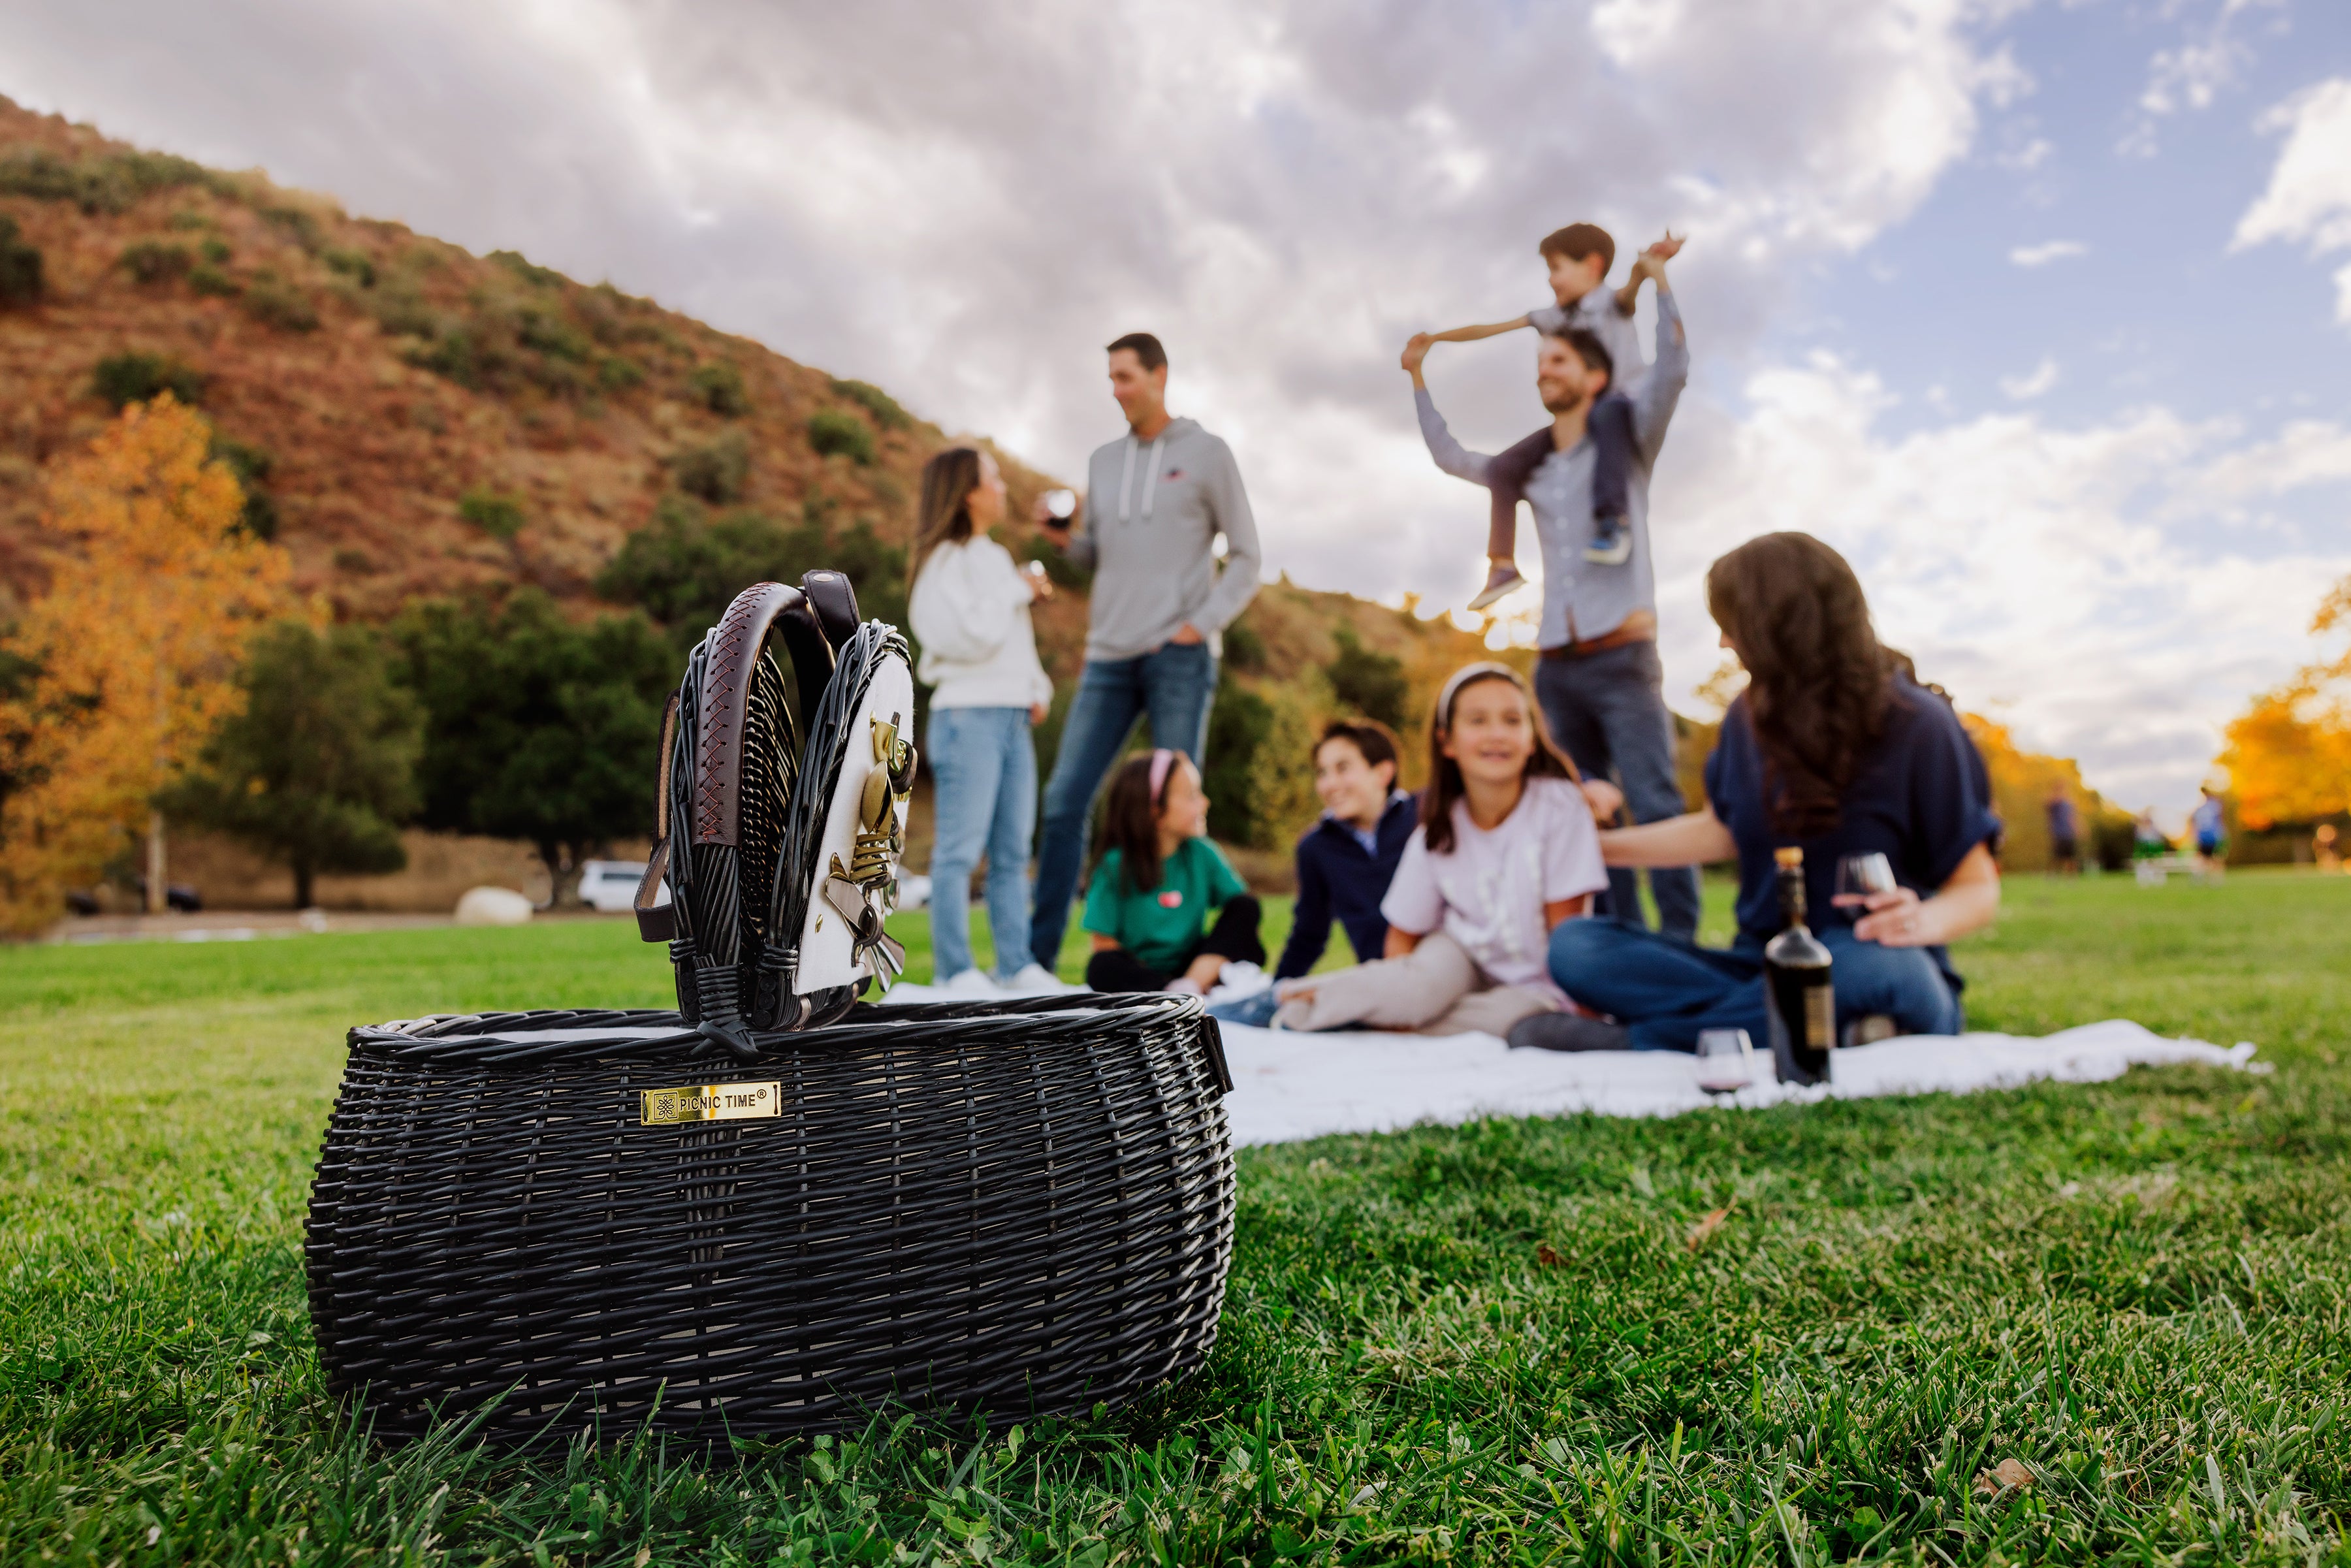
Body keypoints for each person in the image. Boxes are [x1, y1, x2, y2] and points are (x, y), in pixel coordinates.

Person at [1540, 532, 2003, 1053]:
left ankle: (1642, 1041)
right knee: (1578, 948)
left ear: (1781, 624)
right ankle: (1822, 1026)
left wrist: (1918, 919)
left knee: (1866, 966)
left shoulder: (1920, 724)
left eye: (1731, 624)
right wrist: (1598, 847)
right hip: (1758, 962)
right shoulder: (1745, 717)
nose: (1723, 643)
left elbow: (1978, 888)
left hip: (1876, 957)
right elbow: (1722, 829)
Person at [1405, 244, 1699, 944]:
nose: (1545, 370)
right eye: (1540, 365)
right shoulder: (1530, 469)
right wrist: (1418, 380)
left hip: (1624, 656)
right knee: (1584, 811)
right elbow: (1453, 458)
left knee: (1653, 801)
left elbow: (1675, 367)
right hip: (1558, 666)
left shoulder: (1629, 439)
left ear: (1596, 376)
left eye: (1559, 361)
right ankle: (1624, 948)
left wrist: (1658, 282)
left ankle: (1684, 947)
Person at [1029, 332, 1264, 974]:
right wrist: (1062, 540)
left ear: (1160, 375)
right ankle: (1035, 965)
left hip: (1179, 654)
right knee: (1064, 801)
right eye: (1110, 378)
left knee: (1181, 812)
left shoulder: (1208, 453)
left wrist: (1200, 625)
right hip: (1108, 654)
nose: (1116, 389)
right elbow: (1099, 554)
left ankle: (1209, 968)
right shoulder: (1103, 461)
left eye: (1126, 376)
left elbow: (1248, 556)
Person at [1258, 664, 1616, 1040]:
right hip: (1457, 955)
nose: (1497, 733)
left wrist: (1586, 1007)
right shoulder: (1437, 825)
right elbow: (1401, 937)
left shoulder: (1558, 807)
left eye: (1512, 720)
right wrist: (1401, 999)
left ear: (1531, 739)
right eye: (1478, 720)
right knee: (1418, 991)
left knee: (1511, 1019)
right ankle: (1283, 1002)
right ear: (1447, 742)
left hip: (1535, 980)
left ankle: (1332, 1012)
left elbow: (1568, 937)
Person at [1415, 225, 1684, 605]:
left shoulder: (1611, 303)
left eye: (1557, 268)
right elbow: (1491, 329)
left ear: (1592, 266)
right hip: (1580, 414)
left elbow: (1633, 283)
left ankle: (1612, 523)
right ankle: (1502, 565)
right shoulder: (1554, 317)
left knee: (1606, 415)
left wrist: (1653, 262)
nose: (1550, 278)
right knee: (1504, 469)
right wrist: (1437, 339)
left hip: (1619, 406)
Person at [907, 446, 1062, 995]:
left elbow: (1014, 645)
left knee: (1014, 850)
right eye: (992, 478)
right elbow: (966, 635)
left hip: (1012, 717)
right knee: (959, 849)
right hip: (967, 714)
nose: (1001, 487)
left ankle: (1016, 965)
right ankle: (955, 969)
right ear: (969, 491)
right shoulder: (942, 563)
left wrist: (1035, 688)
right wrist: (1018, 590)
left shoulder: (995, 558)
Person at [1206, 718, 1417, 1028]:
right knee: (1266, 1009)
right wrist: (1279, 989)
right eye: (1322, 773)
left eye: (1343, 768)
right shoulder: (1315, 848)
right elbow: (1310, 932)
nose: (1329, 784)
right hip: (1376, 977)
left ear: (1383, 772)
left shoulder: (1422, 816)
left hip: (1434, 966)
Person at [1081, 749, 1264, 995]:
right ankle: (1171, 992)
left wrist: (1198, 970)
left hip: (1193, 964)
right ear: (1155, 812)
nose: (1205, 802)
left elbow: (1240, 909)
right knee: (1101, 967)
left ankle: (1191, 985)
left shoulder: (1201, 852)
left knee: (1246, 909)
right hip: (1143, 971)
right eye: (1192, 796)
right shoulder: (1115, 865)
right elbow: (1103, 944)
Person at [2190, 786, 2228, 879]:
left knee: (2205, 858)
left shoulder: (2201, 808)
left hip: (2205, 836)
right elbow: (2220, 819)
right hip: (2212, 836)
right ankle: (2214, 878)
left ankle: (2202, 877)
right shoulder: (2215, 805)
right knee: (2214, 858)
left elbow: (2194, 821)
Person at [2045, 784, 2081, 876]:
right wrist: (2057, 793)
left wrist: (2077, 829)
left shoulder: (2069, 804)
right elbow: (2047, 805)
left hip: (2069, 833)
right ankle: (2051, 875)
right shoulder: (2055, 803)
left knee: (2071, 857)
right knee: (2056, 857)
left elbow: (2071, 818)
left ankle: (2071, 877)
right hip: (2058, 833)